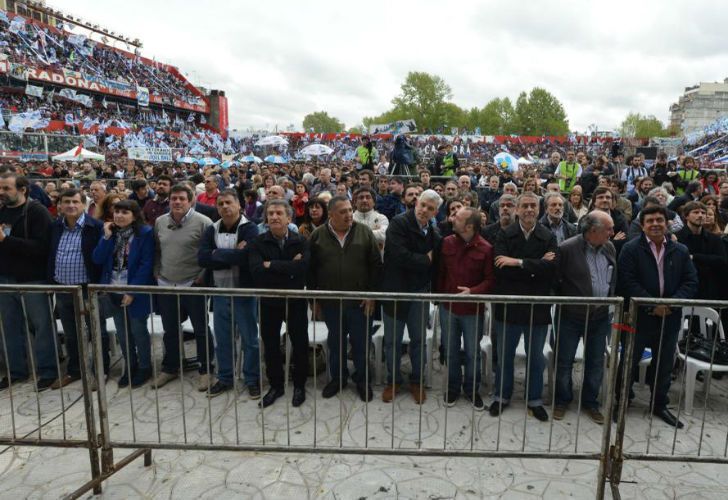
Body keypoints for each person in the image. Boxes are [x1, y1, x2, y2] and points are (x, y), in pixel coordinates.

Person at [616, 205, 698, 428]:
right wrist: (653, 305)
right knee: (629, 361)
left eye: (659, 220)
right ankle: (621, 401)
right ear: (642, 225)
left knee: (664, 364)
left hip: (670, 318)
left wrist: (670, 304)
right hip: (638, 317)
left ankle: (659, 404)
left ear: (667, 223)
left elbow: (691, 281)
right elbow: (627, 281)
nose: (655, 224)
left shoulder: (679, 250)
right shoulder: (630, 249)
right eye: (650, 220)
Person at [490, 192, 558, 421]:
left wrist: (517, 262)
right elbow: (500, 267)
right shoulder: (504, 234)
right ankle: (501, 396)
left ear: (539, 210)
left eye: (533, 206)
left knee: (535, 357)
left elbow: (550, 271)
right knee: (505, 355)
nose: (529, 209)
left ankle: (534, 400)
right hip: (509, 305)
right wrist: (535, 266)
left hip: (536, 306)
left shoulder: (547, 236)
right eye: (525, 206)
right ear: (517, 209)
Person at [309, 196, 382, 402]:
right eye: (343, 211)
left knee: (361, 343)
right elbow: (311, 270)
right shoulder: (318, 236)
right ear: (331, 215)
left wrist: (371, 295)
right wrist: (314, 299)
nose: (349, 214)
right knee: (336, 342)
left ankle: (362, 379)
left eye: (350, 210)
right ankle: (338, 378)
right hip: (331, 302)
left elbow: (376, 266)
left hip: (360, 302)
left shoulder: (364, 232)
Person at [554, 211, 617, 424]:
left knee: (596, 362)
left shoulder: (609, 248)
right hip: (571, 316)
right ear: (593, 230)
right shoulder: (567, 249)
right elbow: (557, 281)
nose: (612, 232)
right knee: (564, 361)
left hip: (599, 317)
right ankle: (562, 400)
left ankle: (591, 402)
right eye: (608, 229)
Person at [381, 189, 443, 404]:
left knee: (418, 340)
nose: (424, 210)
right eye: (422, 204)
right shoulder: (398, 223)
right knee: (393, 341)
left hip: (418, 292)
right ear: (416, 203)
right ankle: (394, 380)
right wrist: (425, 260)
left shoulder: (434, 233)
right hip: (395, 291)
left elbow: (437, 260)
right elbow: (399, 256)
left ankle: (417, 381)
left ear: (435, 212)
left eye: (430, 208)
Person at [198, 189, 261, 398]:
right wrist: (234, 253)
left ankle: (252, 379)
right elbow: (203, 258)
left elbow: (248, 257)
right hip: (220, 291)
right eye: (220, 203)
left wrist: (217, 253)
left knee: (249, 339)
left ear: (239, 205)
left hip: (244, 292)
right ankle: (225, 377)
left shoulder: (250, 228)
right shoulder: (211, 229)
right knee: (223, 339)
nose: (224, 207)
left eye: (228, 203)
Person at [152, 184, 215, 391]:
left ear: (191, 201)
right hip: (167, 283)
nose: (177, 202)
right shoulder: (160, 222)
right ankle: (170, 367)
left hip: (193, 284)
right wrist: (157, 271)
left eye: (181, 199)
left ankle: (205, 369)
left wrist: (202, 276)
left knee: (200, 329)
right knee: (170, 329)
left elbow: (211, 252)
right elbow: (157, 249)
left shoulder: (204, 223)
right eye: (173, 198)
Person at [248, 200, 309, 408]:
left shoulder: (300, 241)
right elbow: (256, 273)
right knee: (271, 345)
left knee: (300, 344)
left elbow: (303, 269)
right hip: (269, 301)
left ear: (288, 218)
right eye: (270, 213)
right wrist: (290, 266)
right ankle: (276, 385)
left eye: (279, 213)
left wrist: (271, 264)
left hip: (295, 301)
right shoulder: (258, 243)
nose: (274, 217)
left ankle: (300, 385)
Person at [48, 188, 110, 389]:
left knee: (96, 331)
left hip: (87, 289)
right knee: (71, 333)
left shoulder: (96, 227)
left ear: (84, 204)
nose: (71, 206)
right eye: (67, 202)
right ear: (60, 205)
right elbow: (50, 254)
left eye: (75, 202)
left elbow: (103, 258)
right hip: (64, 289)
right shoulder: (55, 226)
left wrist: (100, 286)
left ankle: (101, 370)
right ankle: (75, 370)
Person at [0, 173, 56, 390]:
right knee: (9, 327)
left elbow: (42, 248)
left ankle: (48, 370)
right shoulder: (2, 212)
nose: (2, 192)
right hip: (5, 279)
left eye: (6, 188)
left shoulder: (37, 212)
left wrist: (7, 241)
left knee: (41, 326)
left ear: (22, 189)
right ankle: (16, 371)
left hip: (33, 279)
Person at [436, 206, 495, 410]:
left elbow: (490, 280)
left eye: (457, 218)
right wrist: (440, 298)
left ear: (469, 226)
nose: (452, 220)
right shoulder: (446, 243)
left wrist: (473, 291)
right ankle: (452, 389)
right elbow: (441, 273)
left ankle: (471, 390)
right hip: (449, 309)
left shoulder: (486, 249)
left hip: (472, 311)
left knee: (472, 353)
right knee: (450, 351)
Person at [92, 200, 155, 388]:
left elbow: (146, 264)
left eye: (125, 212)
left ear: (134, 216)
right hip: (113, 289)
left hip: (136, 290)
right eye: (117, 211)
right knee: (122, 332)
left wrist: (133, 291)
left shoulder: (145, 233)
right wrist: (106, 237)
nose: (119, 215)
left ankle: (144, 367)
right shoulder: (111, 233)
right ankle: (131, 365)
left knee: (138, 330)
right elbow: (97, 258)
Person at [675, 201, 727, 301]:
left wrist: (694, 257)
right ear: (686, 216)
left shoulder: (714, 239)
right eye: (696, 212)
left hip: (709, 289)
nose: (700, 215)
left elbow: (721, 261)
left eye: (703, 213)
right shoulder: (677, 238)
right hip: (684, 290)